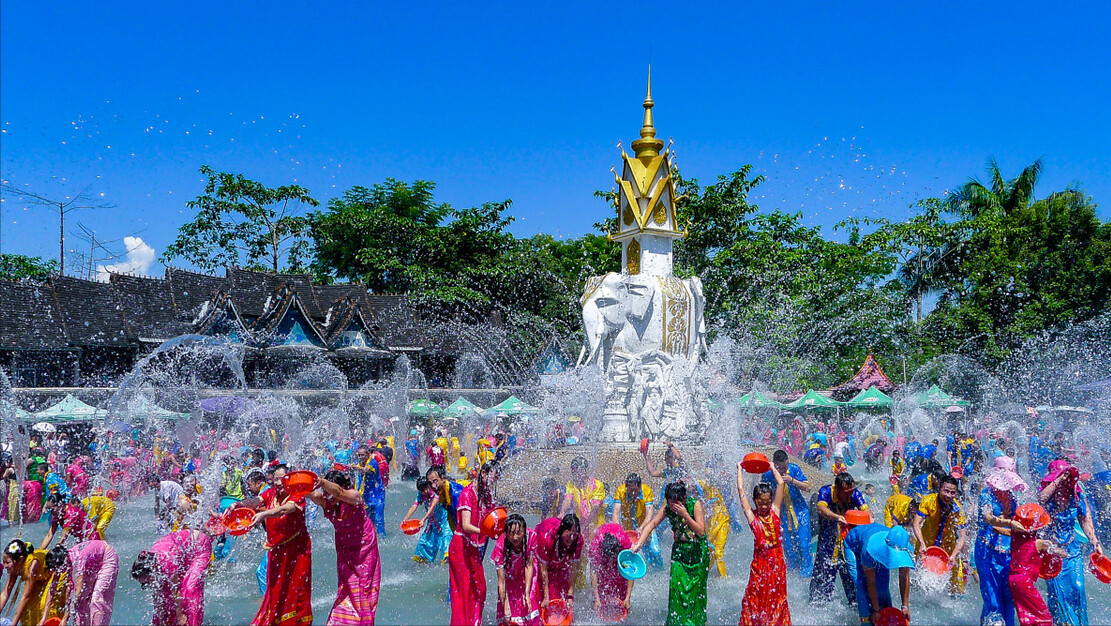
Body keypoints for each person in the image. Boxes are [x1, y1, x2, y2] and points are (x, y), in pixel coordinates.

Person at [306, 469, 381, 625]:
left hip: (365, 547)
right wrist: (293, 485)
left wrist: (323, 482)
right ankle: (340, 621)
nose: (329, 496)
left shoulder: (354, 496)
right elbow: (308, 493)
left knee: (363, 588)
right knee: (346, 587)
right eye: (326, 492)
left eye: (330, 491)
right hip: (345, 548)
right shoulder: (326, 500)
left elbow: (339, 493)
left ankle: (363, 622)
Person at [242, 464, 313, 626]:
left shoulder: (297, 494)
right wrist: (239, 505)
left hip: (297, 551)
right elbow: (256, 501)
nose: (279, 483)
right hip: (277, 550)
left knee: (297, 589)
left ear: (291, 479)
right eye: (275, 479)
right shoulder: (271, 492)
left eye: (283, 479)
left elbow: (286, 509)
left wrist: (264, 514)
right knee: (275, 588)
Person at [632, 481, 709, 626]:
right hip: (680, 553)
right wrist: (639, 544)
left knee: (696, 592)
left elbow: (700, 531)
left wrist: (685, 515)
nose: (673, 506)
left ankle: (696, 622)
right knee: (675, 587)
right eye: (670, 502)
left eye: (676, 502)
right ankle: (676, 622)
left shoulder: (695, 504)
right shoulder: (667, 508)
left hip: (697, 553)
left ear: (684, 498)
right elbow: (652, 524)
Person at [1037, 460, 1102, 626]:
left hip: (1073, 550)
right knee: (1057, 593)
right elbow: (1041, 498)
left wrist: (1094, 541)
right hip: (1051, 551)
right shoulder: (1047, 494)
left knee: (1077, 587)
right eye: (1062, 477)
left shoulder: (1076, 494)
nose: (1066, 481)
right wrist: (1058, 479)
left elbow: (1084, 519)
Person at [737, 460, 791, 626]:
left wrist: (772, 467)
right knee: (756, 593)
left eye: (767, 502)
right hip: (760, 564)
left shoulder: (775, 511)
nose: (765, 506)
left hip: (777, 562)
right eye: (761, 503)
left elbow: (781, 483)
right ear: (755, 501)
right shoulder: (752, 517)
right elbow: (741, 491)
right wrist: (739, 470)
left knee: (778, 595)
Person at [976, 456, 1026, 626]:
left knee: (1008, 597)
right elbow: (988, 518)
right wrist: (1009, 523)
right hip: (986, 551)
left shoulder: (1013, 497)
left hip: (1008, 553)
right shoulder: (986, 494)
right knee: (992, 597)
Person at [131, 528, 214, 626]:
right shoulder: (151, 565)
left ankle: (193, 622)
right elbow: (158, 599)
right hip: (182, 553)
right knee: (165, 596)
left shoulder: (167, 561)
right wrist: (162, 621)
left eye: (146, 582)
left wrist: (180, 617)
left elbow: (176, 591)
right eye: (144, 584)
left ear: (151, 571)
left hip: (199, 546)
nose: (146, 585)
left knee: (190, 588)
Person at [445, 463, 493, 626]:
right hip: (460, 547)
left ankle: (474, 622)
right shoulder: (467, 493)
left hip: (473, 547)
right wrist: (486, 532)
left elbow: (493, 517)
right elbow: (466, 525)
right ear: (484, 473)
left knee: (480, 588)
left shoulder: (486, 494)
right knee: (464, 593)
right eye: (492, 478)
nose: (493, 482)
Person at [809, 472, 868, 605]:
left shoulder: (854, 493)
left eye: (851, 491)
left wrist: (868, 519)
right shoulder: (826, 492)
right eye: (846, 492)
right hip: (827, 545)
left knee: (853, 580)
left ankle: (857, 607)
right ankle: (816, 607)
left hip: (848, 545)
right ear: (837, 489)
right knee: (821, 581)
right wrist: (836, 517)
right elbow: (821, 509)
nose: (850, 495)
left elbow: (867, 511)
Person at [844, 524, 914, 625]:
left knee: (883, 586)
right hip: (853, 546)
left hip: (876, 539)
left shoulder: (905, 547)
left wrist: (905, 606)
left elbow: (904, 577)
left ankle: (886, 614)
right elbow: (871, 582)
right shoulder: (869, 549)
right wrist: (876, 610)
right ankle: (866, 620)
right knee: (861, 586)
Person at [1006, 504, 1063, 626]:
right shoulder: (1041, 543)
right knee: (1045, 618)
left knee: (1027, 617)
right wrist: (1063, 552)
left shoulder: (1015, 536)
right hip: (1024, 581)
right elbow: (1060, 553)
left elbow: (997, 529)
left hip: (1013, 579)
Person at [913, 476, 968, 595]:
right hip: (925, 544)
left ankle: (954, 600)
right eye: (946, 491)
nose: (949, 495)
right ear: (939, 488)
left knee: (956, 583)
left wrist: (953, 555)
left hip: (947, 547)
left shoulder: (958, 510)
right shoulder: (928, 501)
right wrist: (922, 544)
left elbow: (962, 536)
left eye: (952, 493)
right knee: (917, 577)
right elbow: (916, 523)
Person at [761, 449, 812, 576]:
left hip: (800, 512)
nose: (783, 470)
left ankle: (806, 574)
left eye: (785, 466)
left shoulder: (794, 469)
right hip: (782, 515)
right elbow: (763, 495)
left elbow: (808, 488)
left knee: (803, 544)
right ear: (774, 465)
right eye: (780, 468)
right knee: (788, 547)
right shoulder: (768, 474)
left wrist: (792, 480)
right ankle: (792, 573)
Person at [0, 541, 70, 626]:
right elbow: (5, 594)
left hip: (56, 573)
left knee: (45, 607)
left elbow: (25, 596)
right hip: (39, 579)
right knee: (27, 612)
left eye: (7, 562)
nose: (5, 566)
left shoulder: (31, 568)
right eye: (3, 562)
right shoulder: (14, 568)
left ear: (20, 559)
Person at [493, 513, 540, 626]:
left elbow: (529, 565)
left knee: (529, 602)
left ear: (524, 531)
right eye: (511, 533)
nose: (515, 537)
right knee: (508, 615)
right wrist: (505, 606)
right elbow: (501, 582)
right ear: (506, 533)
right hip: (508, 577)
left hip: (526, 574)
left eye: (519, 532)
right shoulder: (500, 546)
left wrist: (527, 592)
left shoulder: (531, 537)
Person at [611, 473, 663, 569]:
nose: (633, 493)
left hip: (646, 528)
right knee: (628, 555)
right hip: (629, 531)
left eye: (635, 490)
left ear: (640, 486)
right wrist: (619, 531)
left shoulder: (646, 491)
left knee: (655, 551)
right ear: (626, 487)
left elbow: (649, 514)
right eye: (630, 490)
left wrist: (641, 528)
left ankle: (660, 571)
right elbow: (615, 513)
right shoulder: (621, 491)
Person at [535, 514, 583, 615]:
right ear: (562, 531)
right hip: (542, 539)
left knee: (562, 590)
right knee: (541, 595)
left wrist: (570, 595)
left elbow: (573, 569)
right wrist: (546, 597)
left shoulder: (578, 540)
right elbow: (543, 570)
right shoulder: (546, 538)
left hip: (558, 554)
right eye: (568, 534)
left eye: (574, 535)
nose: (571, 538)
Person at [68, 538, 119, 626]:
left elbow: (78, 590)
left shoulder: (78, 559)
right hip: (93, 563)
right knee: (81, 602)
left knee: (97, 597)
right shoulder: (65, 562)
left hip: (107, 557)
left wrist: (69, 612)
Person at [588, 522, 633, 621]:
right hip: (603, 546)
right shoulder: (596, 547)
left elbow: (630, 572)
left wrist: (628, 597)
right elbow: (593, 572)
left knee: (622, 590)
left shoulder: (624, 544)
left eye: (613, 558)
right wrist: (596, 598)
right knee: (601, 591)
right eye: (609, 558)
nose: (611, 561)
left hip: (618, 542)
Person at [403, 477, 451, 564]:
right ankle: (424, 562)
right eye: (421, 490)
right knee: (424, 542)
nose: (423, 492)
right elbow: (414, 505)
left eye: (424, 489)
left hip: (444, 521)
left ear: (429, 485)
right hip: (432, 522)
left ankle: (447, 563)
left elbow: (432, 507)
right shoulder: (421, 494)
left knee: (446, 540)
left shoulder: (436, 492)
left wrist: (423, 519)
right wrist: (406, 518)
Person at [559, 456, 606, 541]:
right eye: (573, 470)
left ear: (585, 470)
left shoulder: (597, 485)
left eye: (578, 470)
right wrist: (562, 512)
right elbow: (567, 499)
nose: (576, 474)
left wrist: (585, 526)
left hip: (596, 527)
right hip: (580, 525)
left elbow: (595, 508)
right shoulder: (571, 484)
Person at [354, 444, 390, 535]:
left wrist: (356, 468)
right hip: (366, 496)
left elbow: (367, 470)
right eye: (359, 455)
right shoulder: (359, 463)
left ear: (368, 454)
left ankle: (382, 537)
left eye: (362, 455)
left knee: (379, 519)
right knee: (369, 520)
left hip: (378, 495)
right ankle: (372, 537)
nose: (360, 457)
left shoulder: (373, 462)